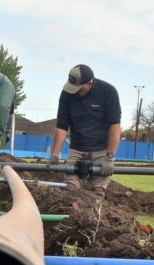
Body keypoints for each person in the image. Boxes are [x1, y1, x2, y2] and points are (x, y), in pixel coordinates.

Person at [49, 64, 122, 196]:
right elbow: (61, 126)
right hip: (77, 149)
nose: (74, 91)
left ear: (89, 83)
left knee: (99, 192)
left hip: (101, 150)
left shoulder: (108, 92)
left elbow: (115, 126)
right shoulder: (67, 94)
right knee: (70, 189)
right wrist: (54, 156)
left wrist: (109, 157)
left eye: (78, 88)